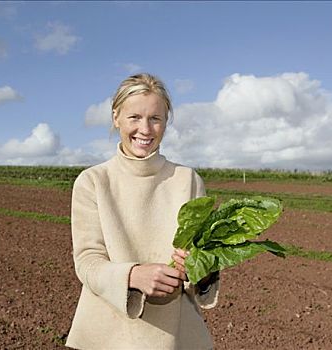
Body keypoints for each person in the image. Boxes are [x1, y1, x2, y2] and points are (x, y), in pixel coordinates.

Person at [66, 73, 220, 350]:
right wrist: (133, 275)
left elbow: (204, 260)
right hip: (107, 334)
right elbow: (87, 261)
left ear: (166, 122)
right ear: (116, 118)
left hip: (176, 334)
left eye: (155, 119)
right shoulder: (93, 181)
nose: (145, 129)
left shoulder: (188, 180)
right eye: (134, 117)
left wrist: (202, 270)